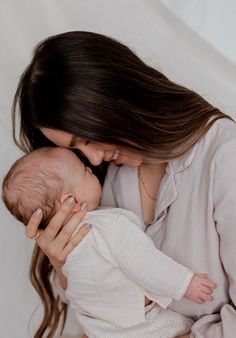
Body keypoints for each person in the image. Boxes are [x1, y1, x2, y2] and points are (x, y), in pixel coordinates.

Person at [11, 31, 236, 338]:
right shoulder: (107, 181)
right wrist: (62, 261)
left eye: (88, 138)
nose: (91, 158)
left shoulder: (224, 156)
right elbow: (99, 310)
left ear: (117, 96)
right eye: (76, 152)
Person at [2, 147, 217, 338]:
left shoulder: (68, 249)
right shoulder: (110, 227)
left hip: (100, 330)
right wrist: (184, 284)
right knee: (184, 325)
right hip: (144, 326)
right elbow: (146, 264)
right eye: (84, 171)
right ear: (72, 200)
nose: (91, 167)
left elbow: (77, 296)